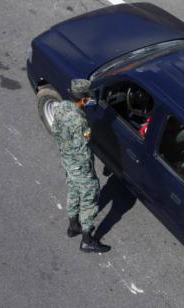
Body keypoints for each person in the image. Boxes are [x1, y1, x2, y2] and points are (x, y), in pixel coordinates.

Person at [51, 79, 111, 254]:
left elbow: (57, 130)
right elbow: (83, 150)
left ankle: (73, 226)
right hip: (79, 163)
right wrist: (89, 173)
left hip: (66, 158)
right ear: (83, 99)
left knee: (73, 189)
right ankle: (87, 240)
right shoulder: (79, 122)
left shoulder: (62, 106)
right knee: (89, 196)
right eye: (87, 97)